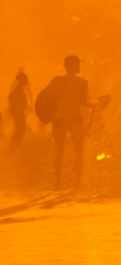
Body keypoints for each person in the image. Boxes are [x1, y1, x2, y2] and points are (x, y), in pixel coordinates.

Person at [46, 55, 93, 190]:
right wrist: (95, 105)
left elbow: (49, 99)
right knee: (77, 152)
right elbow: (83, 102)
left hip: (61, 119)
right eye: (76, 64)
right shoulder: (82, 82)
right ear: (68, 66)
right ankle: (75, 184)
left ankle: (59, 184)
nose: (78, 66)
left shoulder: (57, 81)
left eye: (78, 64)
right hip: (71, 120)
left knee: (60, 152)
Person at [6, 69, 32, 149]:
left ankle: (15, 144)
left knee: (21, 128)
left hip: (19, 111)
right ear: (21, 80)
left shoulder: (20, 89)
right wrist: (18, 107)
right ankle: (14, 145)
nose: (25, 82)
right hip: (18, 112)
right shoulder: (17, 89)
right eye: (24, 80)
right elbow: (11, 98)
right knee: (19, 127)